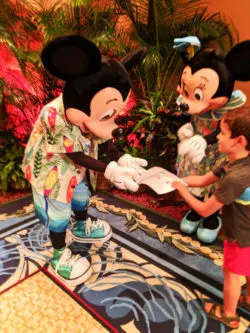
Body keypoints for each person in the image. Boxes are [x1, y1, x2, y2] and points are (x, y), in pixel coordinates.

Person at [22, 35, 147, 287]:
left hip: (78, 166)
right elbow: (71, 153)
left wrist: (120, 156)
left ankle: (81, 225)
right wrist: (110, 170)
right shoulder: (54, 115)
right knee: (59, 212)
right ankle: (59, 256)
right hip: (52, 168)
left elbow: (102, 131)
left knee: (81, 195)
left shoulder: (92, 109)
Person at [171, 107, 250, 329]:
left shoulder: (236, 177)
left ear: (239, 140)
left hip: (242, 234)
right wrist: (181, 180)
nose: (217, 137)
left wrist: (182, 191)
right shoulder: (233, 161)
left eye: (223, 133)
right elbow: (206, 178)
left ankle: (229, 314)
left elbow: (206, 210)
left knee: (232, 274)